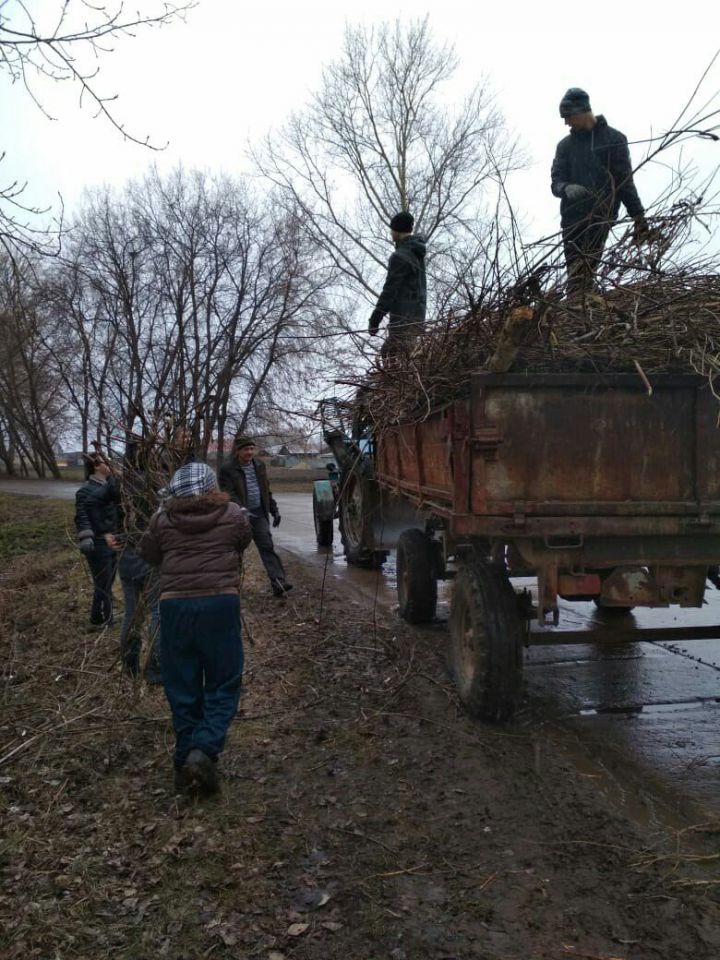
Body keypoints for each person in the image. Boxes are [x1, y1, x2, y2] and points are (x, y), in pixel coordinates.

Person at [138, 462, 252, 794]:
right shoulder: (232, 514)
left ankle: (184, 759)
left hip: (176, 607)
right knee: (224, 680)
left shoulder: (162, 519)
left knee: (182, 683)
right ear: (212, 487)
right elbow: (242, 542)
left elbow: (149, 553)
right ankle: (203, 749)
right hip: (220, 603)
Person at [551, 88, 649, 299]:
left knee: (588, 267)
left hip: (601, 216)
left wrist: (638, 216)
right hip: (572, 218)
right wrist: (566, 188)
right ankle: (577, 305)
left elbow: (625, 183)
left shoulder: (614, 139)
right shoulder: (565, 147)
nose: (566, 123)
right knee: (575, 270)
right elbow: (555, 182)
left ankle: (581, 306)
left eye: (568, 117)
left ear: (581, 111)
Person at [218, 436, 292, 597]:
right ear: (238, 451)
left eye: (252, 449)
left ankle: (278, 582)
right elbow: (228, 493)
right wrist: (241, 509)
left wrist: (274, 510)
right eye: (246, 449)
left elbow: (266, 490)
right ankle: (230, 587)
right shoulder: (227, 469)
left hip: (259, 514)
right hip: (238, 517)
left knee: (267, 546)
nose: (250, 452)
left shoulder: (259, 465)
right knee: (235, 551)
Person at [368, 211, 427, 359]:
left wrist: (375, 319)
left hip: (403, 320)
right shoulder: (416, 251)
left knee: (393, 357)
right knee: (399, 356)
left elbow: (390, 291)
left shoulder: (400, 256)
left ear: (397, 231)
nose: (390, 233)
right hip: (417, 316)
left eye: (392, 229)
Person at [74, 452, 122, 626]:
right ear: (96, 466)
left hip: (113, 539)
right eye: (105, 462)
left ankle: (95, 617)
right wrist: (87, 536)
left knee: (106, 582)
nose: (109, 465)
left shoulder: (111, 487)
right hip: (98, 542)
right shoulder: (85, 491)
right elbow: (81, 515)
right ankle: (109, 620)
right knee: (103, 583)